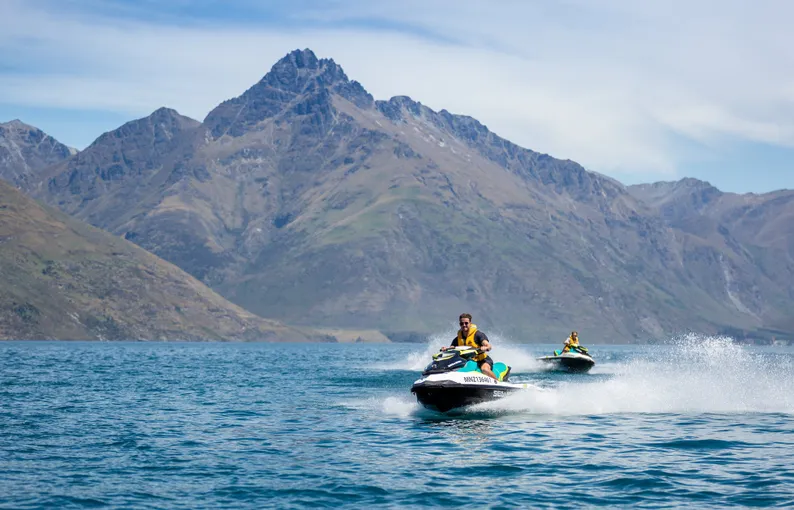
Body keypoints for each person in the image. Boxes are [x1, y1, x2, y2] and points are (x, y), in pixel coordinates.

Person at [442, 313, 498, 381]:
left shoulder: (478, 335)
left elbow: (488, 345)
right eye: (462, 323)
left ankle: (498, 383)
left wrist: (485, 347)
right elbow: (452, 348)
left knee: (485, 369)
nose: (464, 325)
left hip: (482, 360)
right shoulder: (458, 338)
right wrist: (446, 349)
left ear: (470, 323)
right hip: (469, 361)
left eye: (466, 323)